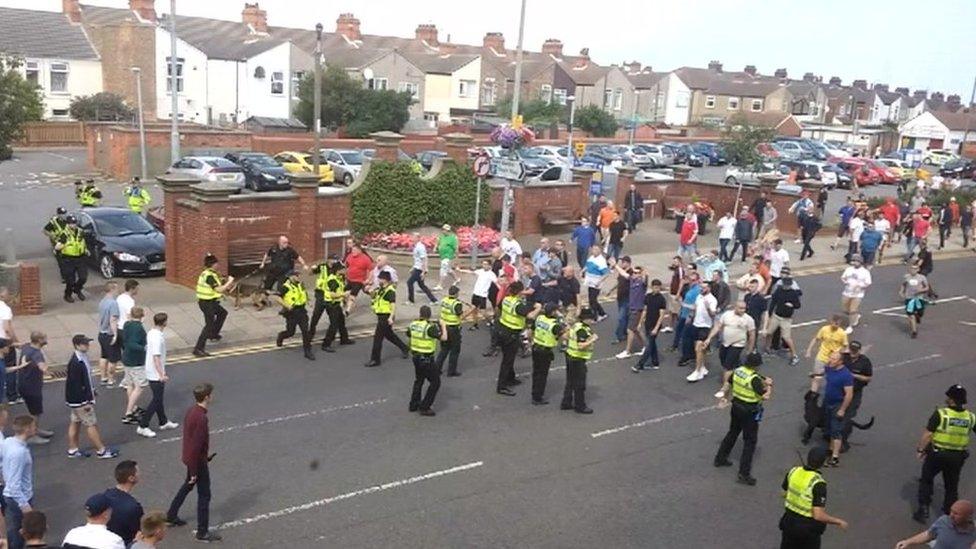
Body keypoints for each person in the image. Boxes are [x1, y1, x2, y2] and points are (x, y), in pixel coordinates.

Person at [913, 384, 976, 523]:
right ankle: (949, 514)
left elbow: (928, 434)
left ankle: (923, 509)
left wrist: (921, 450)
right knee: (951, 486)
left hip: (937, 454)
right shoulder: (970, 417)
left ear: (951, 399)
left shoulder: (941, 414)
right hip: (957, 457)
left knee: (926, 480)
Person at [166, 383, 220, 543]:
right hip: (196, 461)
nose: (212, 397)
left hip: (192, 458)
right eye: (211, 394)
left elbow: (191, 441)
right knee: (204, 495)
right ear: (206, 397)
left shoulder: (192, 411)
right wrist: (195, 471)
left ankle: (171, 515)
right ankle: (202, 532)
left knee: (187, 485)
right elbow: (196, 444)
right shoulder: (201, 418)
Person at [713, 352, 771, 485]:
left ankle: (720, 458)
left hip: (736, 407)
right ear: (757, 365)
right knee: (750, 442)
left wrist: (724, 398)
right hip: (749, 412)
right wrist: (769, 386)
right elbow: (765, 396)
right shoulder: (754, 379)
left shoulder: (738, 371)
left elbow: (728, 383)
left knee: (732, 432)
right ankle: (744, 473)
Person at [778, 446, 849, 548]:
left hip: (788, 524)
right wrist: (838, 521)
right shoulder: (818, 483)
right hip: (807, 530)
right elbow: (818, 515)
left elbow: (783, 493)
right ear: (822, 463)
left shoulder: (793, 471)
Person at [65, 334, 119, 459]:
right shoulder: (76, 363)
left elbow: (85, 380)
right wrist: (86, 402)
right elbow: (76, 385)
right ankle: (101, 450)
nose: (88, 345)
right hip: (81, 401)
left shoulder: (82, 357)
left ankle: (72, 449)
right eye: (84, 344)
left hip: (74, 401)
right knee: (91, 424)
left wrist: (92, 389)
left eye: (88, 343)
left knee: (75, 422)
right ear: (77, 345)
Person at [137, 313, 178, 438]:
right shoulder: (157, 338)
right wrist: (161, 374)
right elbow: (156, 357)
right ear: (164, 322)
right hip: (155, 373)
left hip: (152, 370)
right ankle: (143, 426)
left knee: (158, 397)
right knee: (156, 399)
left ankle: (163, 421)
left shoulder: (151, 332)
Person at [496, 282, 540, 396]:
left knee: (508, 356)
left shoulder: (506, 299)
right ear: (520, 291)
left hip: (502, 329)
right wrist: (538, 308)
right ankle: (502, 386)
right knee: (507, 360)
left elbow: (499, 308)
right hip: (511, 333)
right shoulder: (517, 305)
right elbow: (530, 316)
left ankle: (511, 378)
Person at [705, 301, 756, 398]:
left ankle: (725, 388)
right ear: (735, 307)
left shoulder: (748, 319)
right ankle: (738, 372)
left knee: (728, 366)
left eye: (744, 308)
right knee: (723, 360)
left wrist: (749, 349)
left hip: (738, 344)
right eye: (740, 308)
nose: (742, 310)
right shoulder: (727, 315)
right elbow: (718, 326)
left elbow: (752, 335)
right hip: (725, 343)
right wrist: (709, 338)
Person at [3, 415, 37, 549]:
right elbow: (14, 485)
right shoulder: (19, 453)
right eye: (34, 426)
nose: (36, 428)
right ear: (27, 429)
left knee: (17, 528)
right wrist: (26, 507)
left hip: (14, 497)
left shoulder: (9, 442)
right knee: (21, 532)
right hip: (20, 498)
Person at [14, 333, 53, 444]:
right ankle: (32, 435)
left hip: (23, 384)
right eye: (44, 338)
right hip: (31, 387)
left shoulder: (27, 346)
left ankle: (35, 429)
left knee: (35, 411)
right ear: (39, 340)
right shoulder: (36, 354)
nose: (46, 339)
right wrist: (46, 369)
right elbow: (41, 366)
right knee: (35, 412)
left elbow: (17, 345)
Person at [192, 254, 233, 358]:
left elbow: (218, 287)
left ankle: (213, 334)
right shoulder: (209, 276)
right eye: (216, 263)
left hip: (211, 302)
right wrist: (230, 282)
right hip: (206, 303)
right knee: (208, 325)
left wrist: (226, 287)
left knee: (222, 313)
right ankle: (198, 348)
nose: (218, 265)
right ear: (212, 264)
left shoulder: (211, 273)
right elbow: (219, 289)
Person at [365, 271, 408, 368]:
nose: (378, 280)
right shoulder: (380, 288)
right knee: (389, 335)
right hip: (380, 315)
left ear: (385, 280)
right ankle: (404, 348)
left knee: (378, 338)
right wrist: (369, 292)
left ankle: (375, 359)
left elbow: (393, 306)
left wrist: (390, 317)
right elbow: (374, 297)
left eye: (380, 278)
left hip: (386, 316)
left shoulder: (390, 291)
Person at [311, 260, 353, 352]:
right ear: (338, 270)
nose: (345, 270)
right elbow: (331, 294)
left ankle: (344, 339)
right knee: (334, 325)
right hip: (331, 304)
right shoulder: (332, 280)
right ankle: (326, 344)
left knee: (341, 322)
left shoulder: (340, 277)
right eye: (343, 269)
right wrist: (343, 295)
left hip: (337, 303)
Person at [897, 499, 976, 549]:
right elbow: (929, 534)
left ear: (968, 517)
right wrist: (908, 542)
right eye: (951, 511)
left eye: (956, 514)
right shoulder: (943, 521)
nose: (951, 515)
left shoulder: (973, 534)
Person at [561, 308, 598, 414]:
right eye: (591, 318)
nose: (592, 321)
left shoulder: (576, 325)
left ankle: (566, 402)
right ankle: (580, 406)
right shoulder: (582, 330)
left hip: (570, 355)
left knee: (570, 381)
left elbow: (566, 336)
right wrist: (592, 339)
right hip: (578, 359)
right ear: (585, 319)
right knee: (580, 384)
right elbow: (581, 345)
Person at [272, 270, 315, 361]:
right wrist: (287, 305)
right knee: (291, 332)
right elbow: (276, 297)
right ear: (291, 277)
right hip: (292, 312)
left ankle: (307, 351)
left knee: (305, 331)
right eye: (296, 275)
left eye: (298, 275)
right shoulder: (285, 287)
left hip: (302, 311)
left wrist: (308, 302)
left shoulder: (300, 284)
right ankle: (281, 336)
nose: (298, 277)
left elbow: (303, 293)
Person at [763, 267, 801, 366]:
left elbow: (798, 305)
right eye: (785, 284)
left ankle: (794, 355)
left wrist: (792, 305)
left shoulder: (793, 293)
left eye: (787, 285)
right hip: (776, 315)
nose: (786, 286)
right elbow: (773, 302)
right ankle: (767, 349)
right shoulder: (779, 290)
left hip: (786, 319)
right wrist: (770, 314)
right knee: (769, 332)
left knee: (786, 337)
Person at [407, 306, 441, 416]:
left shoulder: (413, 324)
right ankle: (425, 407)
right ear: (429, 315)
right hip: (427, 358)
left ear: (420, 314)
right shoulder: (429, 327)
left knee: (419, 380)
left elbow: (408, 333)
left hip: (415, 357)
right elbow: (443, 337)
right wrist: (443, 326)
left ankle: (413, 404)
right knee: (435, 382)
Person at [838, 341, 872, 452]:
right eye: (851, 350)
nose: (852, 353)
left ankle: (843, 441)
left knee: (847, 417)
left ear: (859, 351)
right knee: (835, 413)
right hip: (841, 391)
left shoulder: (865, 362)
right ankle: (832, 435)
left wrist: (854, 375)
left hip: (855, 393)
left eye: (855, 351)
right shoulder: (844, 357)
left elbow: (868, 378)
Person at [822, 351, 853, 467]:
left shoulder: (846, 375)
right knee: (830, 428)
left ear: (840, 361)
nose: (830, 360)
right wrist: (815, 374)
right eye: (830, 358)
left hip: (838, 405)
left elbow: (849, 394)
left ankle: (835, 457)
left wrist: (842, 409)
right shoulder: (829, 368)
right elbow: (823, 372)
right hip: (828, 403)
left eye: (834, 359)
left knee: (836, 431)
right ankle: (830, 450)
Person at [804, 315, 848, 394]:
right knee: (817, 377)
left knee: (830, 377)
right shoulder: (824, 329)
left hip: (833, 359)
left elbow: (845, 346)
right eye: (834, 323)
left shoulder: (842, 334)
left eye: (837, 324)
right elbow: (816, 339)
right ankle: (813, 394)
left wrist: (838, 354)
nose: (835, 326)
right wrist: (809, 350)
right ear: (831, 322)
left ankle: (829, 391)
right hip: (822, 356)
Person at [103, 460, 144, 546]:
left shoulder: (106, 495)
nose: (140, 474)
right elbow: (139, 530)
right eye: (138, 472)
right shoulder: (133, 507)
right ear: (131, 478)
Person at [530, 303, 563, 405]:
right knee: (542, 374)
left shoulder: (540, 318)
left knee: (536, 372)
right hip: (545, 351)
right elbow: (565, 335)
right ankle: (537, 397)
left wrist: (532, 341)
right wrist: (561, 318)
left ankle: (534, 392)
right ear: (553, 312)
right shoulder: (554, 325)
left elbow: (531, 330)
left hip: (536, 347)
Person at [120, 307, 148, 427]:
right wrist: (144, 348)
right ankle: (129, 412)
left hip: (126, 358)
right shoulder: (139, 328)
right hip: (136, 361)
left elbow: (126, 341)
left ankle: (134, 407)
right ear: (142, 316)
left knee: (130, 384)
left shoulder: (127, 324)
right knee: (140, 386)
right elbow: (133, 344)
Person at [632, 279, 667, 372]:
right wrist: (640, 323)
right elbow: (645, 310)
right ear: (652, 287)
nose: (657, 289)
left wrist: (656, 328)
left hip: (655, 325)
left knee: (649, 345)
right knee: (652, 344)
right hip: (648, 323)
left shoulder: (661, 299)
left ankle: (640, 365)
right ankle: (655, 362)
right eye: (655, 287)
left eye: (658, 288)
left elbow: (662, 315)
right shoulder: (648, 297)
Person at [686, 282, 718, 383]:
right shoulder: (699, 296)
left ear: (709, 288)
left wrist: (708, 307)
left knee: (698, 348)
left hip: (705, 326)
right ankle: (702, 366)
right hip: (696, 324)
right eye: (701, 287)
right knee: (700, 349)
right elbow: (695, 308)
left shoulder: (712, 300)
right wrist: (690, 315)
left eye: (703, 288)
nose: (701, 289)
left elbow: (713, 314)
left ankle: (697, 371)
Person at [616, 265, 648, 359]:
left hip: (637, 310)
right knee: (636, 330)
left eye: (637, 273)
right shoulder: (632, 281)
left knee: (630, 330)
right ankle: (646, 346)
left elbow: (645, 279)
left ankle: (627, 351)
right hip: (631, 308)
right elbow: (624, 274)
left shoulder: (642, 283)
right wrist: (615, 265)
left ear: (640, 274)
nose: (634, 274)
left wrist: (644, 273)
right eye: (633, 272)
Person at [55, 215, 89, 303]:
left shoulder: (80, 231)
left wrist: (85, 250)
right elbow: (57, 247)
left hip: (80, 257)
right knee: (70, 280)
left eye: (74, 223)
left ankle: (77, 289)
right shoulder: (64, 234)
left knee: (83, 277)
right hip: (68, 259)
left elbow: (82, 242)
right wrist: (62, 246)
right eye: (71, 224)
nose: (73, 225)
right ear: (68, 224)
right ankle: (67, 294)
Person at [95, 282, 122, 388]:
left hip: (102, 333)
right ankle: (111, 379)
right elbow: (113, 319)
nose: (118, 291)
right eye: (117, 289)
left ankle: (103, 377)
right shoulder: (113, 303)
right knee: (113, 359)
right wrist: (115, 334)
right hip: (110, 334)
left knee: (104, 356)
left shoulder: (102, 302)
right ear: (112, 289)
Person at [434, 286, 465, 377]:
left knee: (444, 349)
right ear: (456, 294)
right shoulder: (457, 304)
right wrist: (471, 310)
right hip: (453, 329)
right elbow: (461, 316)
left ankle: (437, 368)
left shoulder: (444, 300)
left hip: (443, 327)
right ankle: (451, 371)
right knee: (455, 350)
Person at [840, 255, 871, 334]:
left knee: (852, 310)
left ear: (860, 262)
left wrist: (860, 286)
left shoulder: (865, 272)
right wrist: (845, 282)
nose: (854, 263)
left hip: (858, 294)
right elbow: (843, 277)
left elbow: (868, 282)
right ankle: (856, 316)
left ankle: (850, 326)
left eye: (856, 261)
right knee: (845, 309)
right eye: (853, 261)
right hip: (847, 292)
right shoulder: (849, 269)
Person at [465, 260, 497, 330]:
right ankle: (475, 324)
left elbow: (497, 283)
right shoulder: (480, 271)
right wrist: (460, 270)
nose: (484, 266)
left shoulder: (491, 274)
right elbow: (471, 272)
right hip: (475, 293)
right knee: (474, 310)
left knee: (483, 312)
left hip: (483, 295)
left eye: (486, 264)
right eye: (483, 264)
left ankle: (490, 321)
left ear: (489, 265)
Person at [608, 256, 633, 345]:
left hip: (627, 298)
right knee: (625, 317)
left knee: (621, 318)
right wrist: (611, 290)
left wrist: (615, 265)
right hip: (620, 298)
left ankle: (619, 336)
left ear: (628, 263)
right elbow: (619, 282)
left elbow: (626, 277)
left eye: (623, 262)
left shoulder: (631, 272)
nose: (622, 264)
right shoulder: (621, 272)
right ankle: (625, 332)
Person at [901, 262, 930, 338]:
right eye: (911, 269)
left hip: (919, 298)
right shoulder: (906, 277)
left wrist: (921, 290)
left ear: (918, 269)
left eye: (915, 269)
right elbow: (903, 284)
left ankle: (918, 315)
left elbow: (927, 287)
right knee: (910, 315)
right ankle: (914, 331)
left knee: (920, 312)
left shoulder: (922, 277)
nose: (913, 270)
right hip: (909, 298)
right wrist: (901, 291)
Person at [406, 233, 437, 304]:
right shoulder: (417, 246)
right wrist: (413, 268)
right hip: (417, 268)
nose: (412, 239)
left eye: (414, 237)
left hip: (419, 269)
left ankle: (411, 300)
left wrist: (423, 272)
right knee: (422, 285)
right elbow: (417, 260)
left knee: (409, 282)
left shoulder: (420, 247)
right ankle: (434, 300)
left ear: (418, 238)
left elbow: (424, 259)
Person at [343, 244, 373, 314]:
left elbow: (371, 270)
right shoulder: (350, 256)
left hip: (359, 281)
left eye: (354, 250)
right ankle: (346, 302)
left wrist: (368, 279)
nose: (353, 252)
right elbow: (346, 265)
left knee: (353, 294)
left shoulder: (365, 259)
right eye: (352, 250)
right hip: (349, 279)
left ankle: (348, 310)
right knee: (344, 291)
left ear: (360, 250)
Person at [583, 246, 609, 321]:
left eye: (596, 249)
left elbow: (606, 273)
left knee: (592, 300)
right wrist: (583, 270)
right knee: (592, 300)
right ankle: (602, 313)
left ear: (599, 251)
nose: (593, 251)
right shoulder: (591, 257)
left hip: (596, 283)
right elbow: (587, 266)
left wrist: (600, 281)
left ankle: (595, 317)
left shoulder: (601, 261)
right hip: (590, 282)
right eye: (593, 249)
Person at [434, 224, 459, 291]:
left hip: (448, 256)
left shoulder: (453, 238)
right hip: (442, 256)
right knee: (448, 269)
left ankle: (440, 285)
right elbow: (437, 242)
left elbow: (456, 249)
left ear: (448, 231)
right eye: (443, 230)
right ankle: (457, 279)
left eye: (444, 230)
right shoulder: (441, 237)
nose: (443, 231)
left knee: (443, 269)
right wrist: (435, 247)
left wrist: (456, 259)